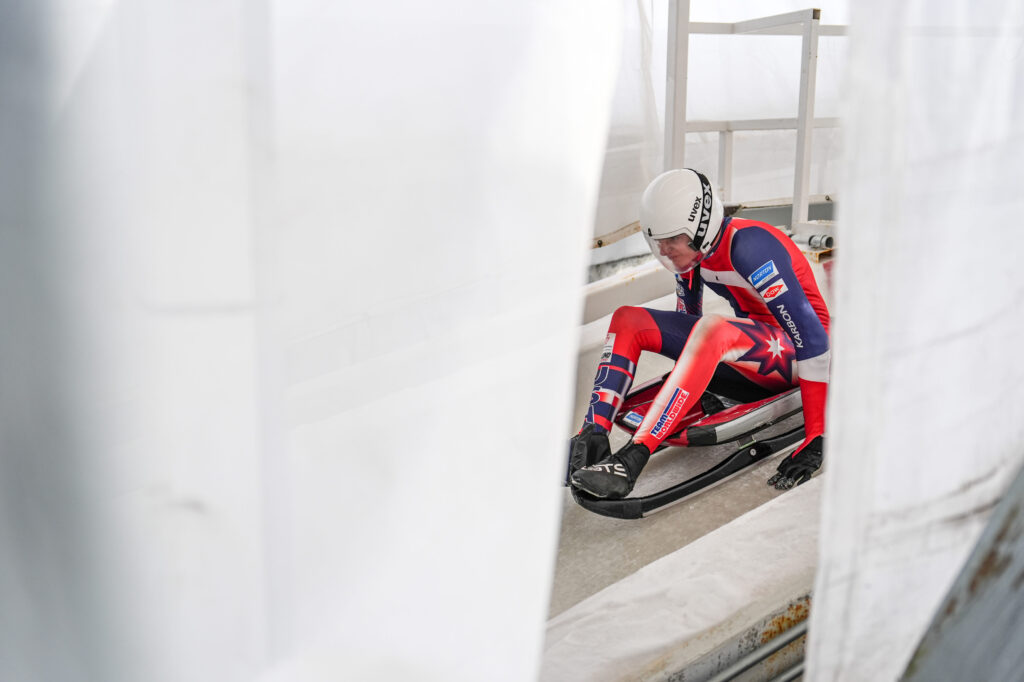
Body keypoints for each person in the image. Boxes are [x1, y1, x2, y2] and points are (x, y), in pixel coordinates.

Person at [568, 168, 830, 499]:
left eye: (671, 240)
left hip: (799, 351)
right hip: (755, 351)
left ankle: (633, 458)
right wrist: (689, 382)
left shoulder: (751, 248)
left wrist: (816, 436)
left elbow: (812, 337)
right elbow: (686, 328)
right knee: (627, 318)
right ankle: (591, 436)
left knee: (714, 327)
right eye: (657, 241)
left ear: (700, 228)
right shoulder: (694, 258)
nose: (664, 250)